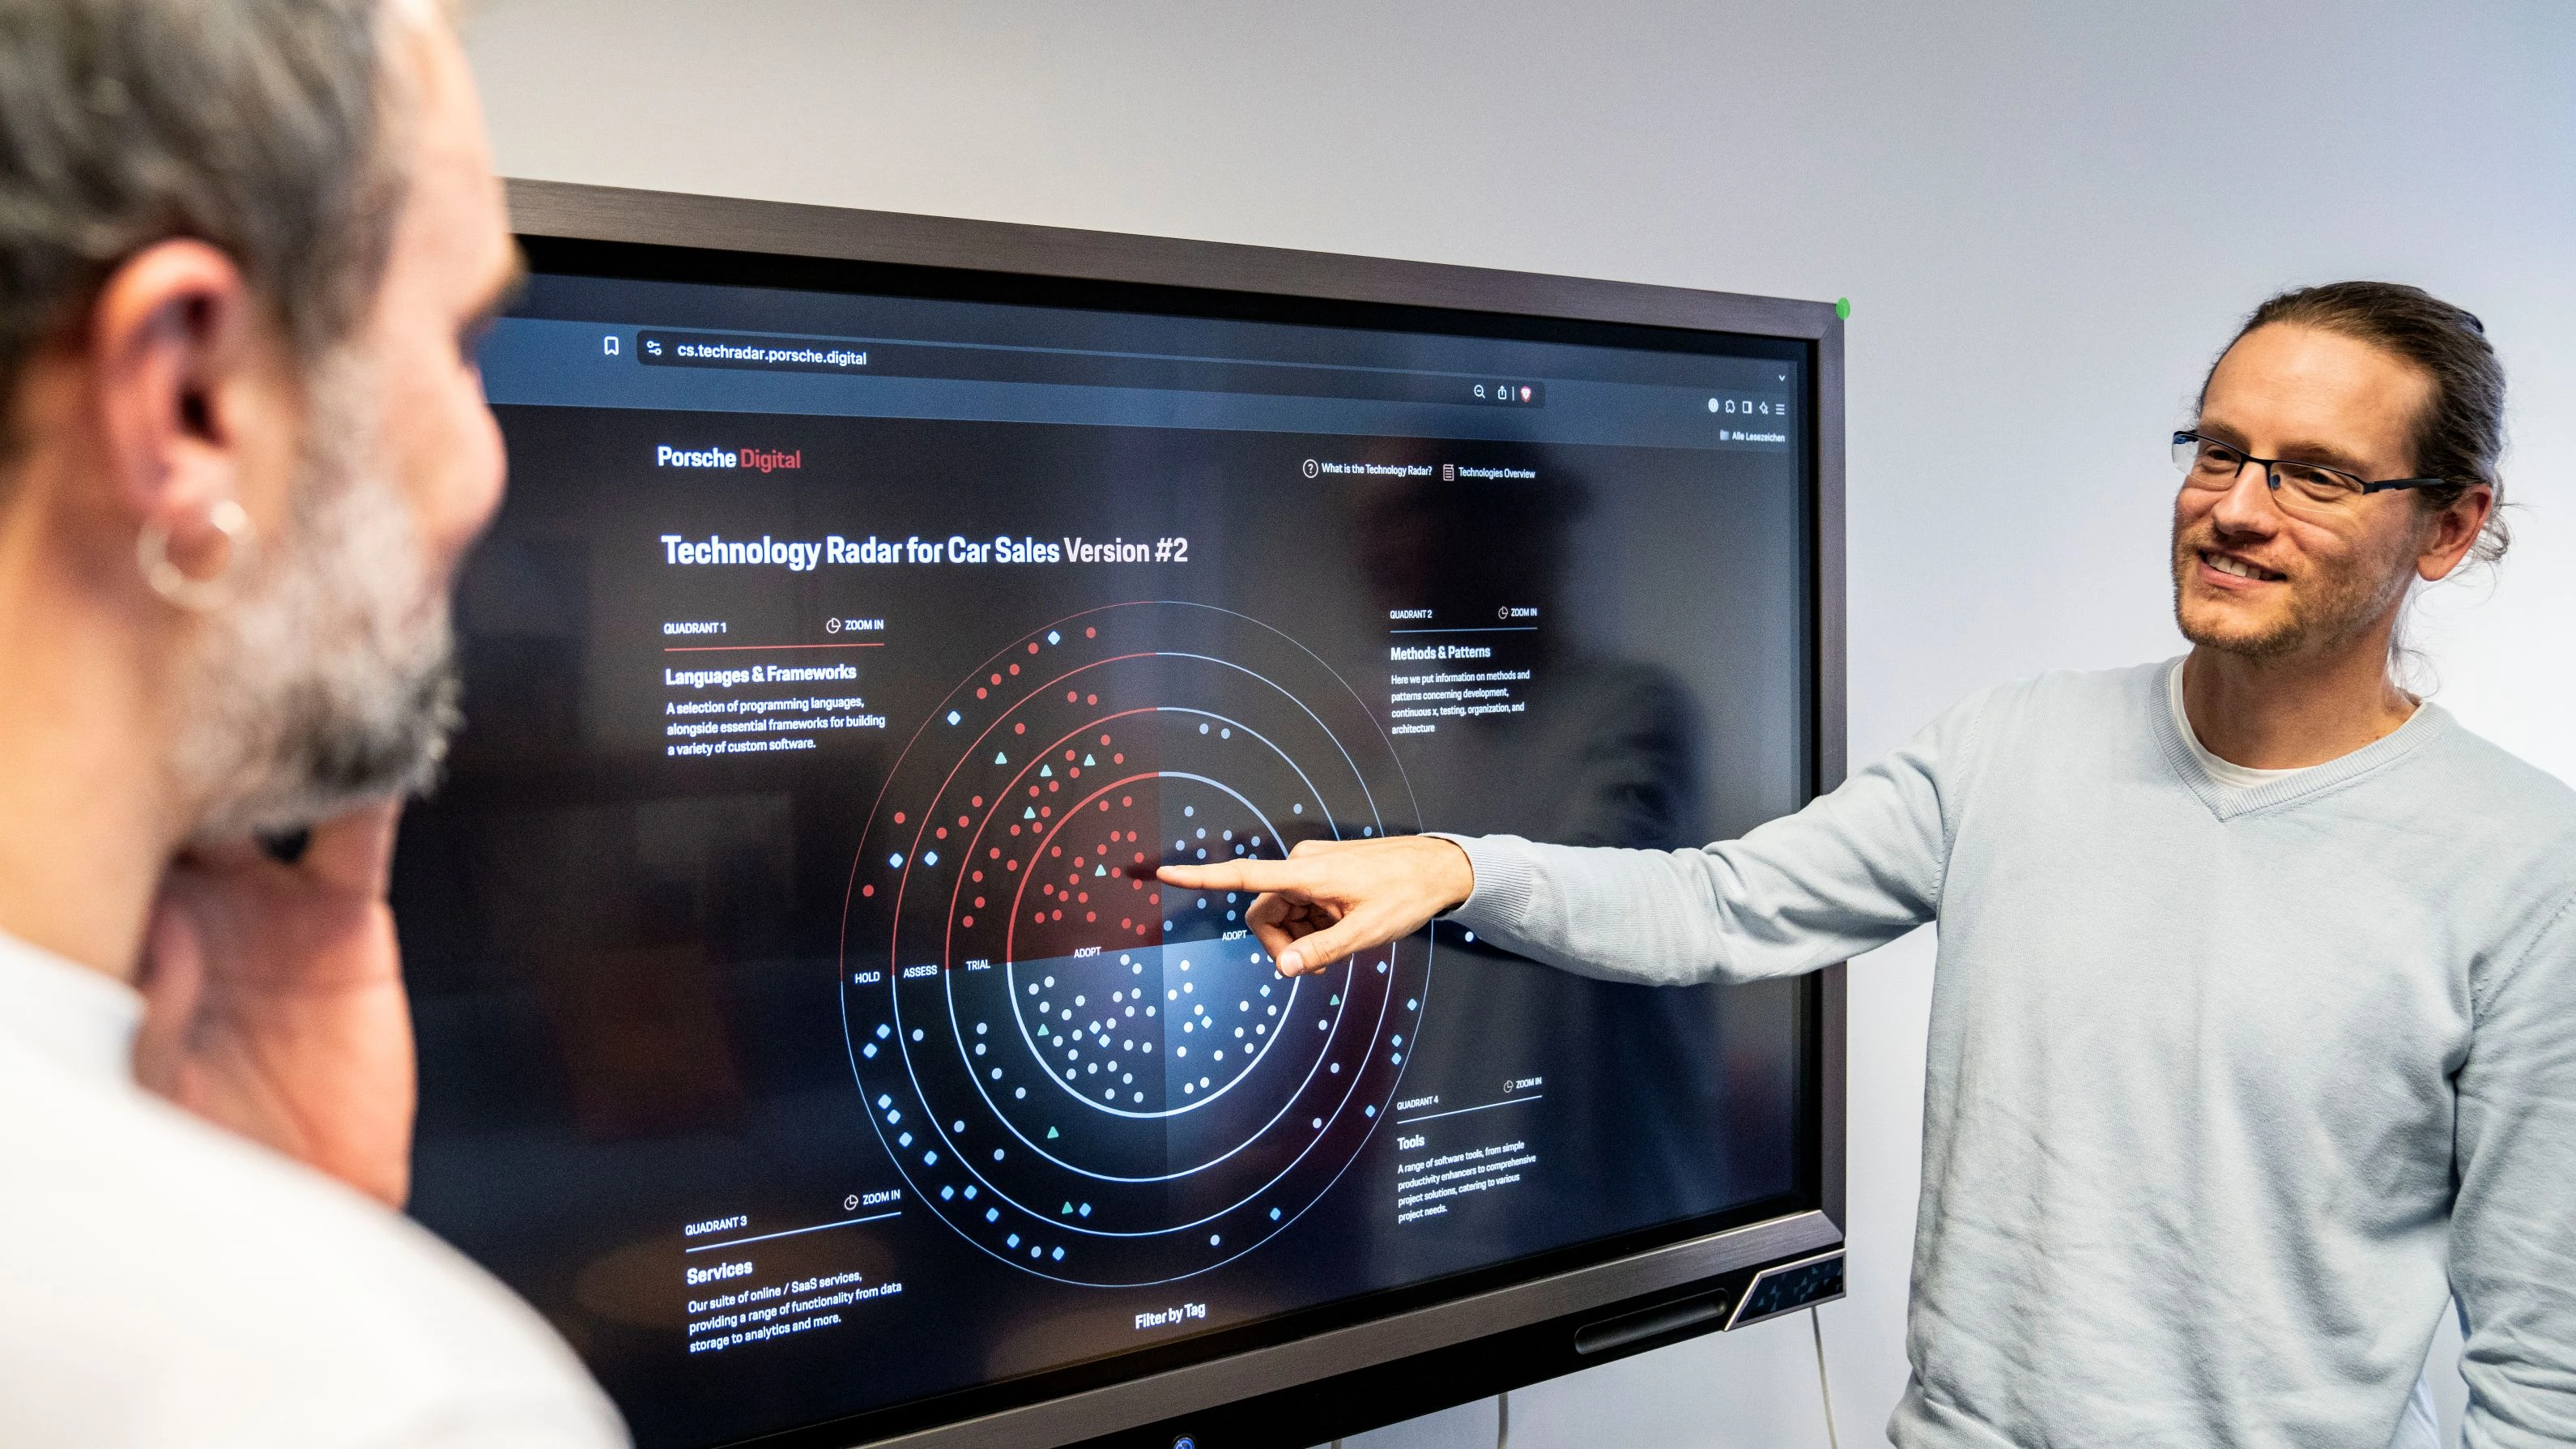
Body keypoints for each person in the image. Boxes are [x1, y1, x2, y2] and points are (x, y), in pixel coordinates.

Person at [1166, 282, 2576, 1447]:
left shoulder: (2524, 868)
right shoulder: (2012, 746)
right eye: (2218, 451)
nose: (2239, 508)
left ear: (2449, 527)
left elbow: (2543, 1376)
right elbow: (1719, 904)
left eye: (2316, 475)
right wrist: (1460, 870)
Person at [0, 0, 625, 1443]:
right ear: (190, 398)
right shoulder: (405, 1400)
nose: (486, 459)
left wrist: (288, 1230)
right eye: (462, 339)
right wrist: (328, 1303)